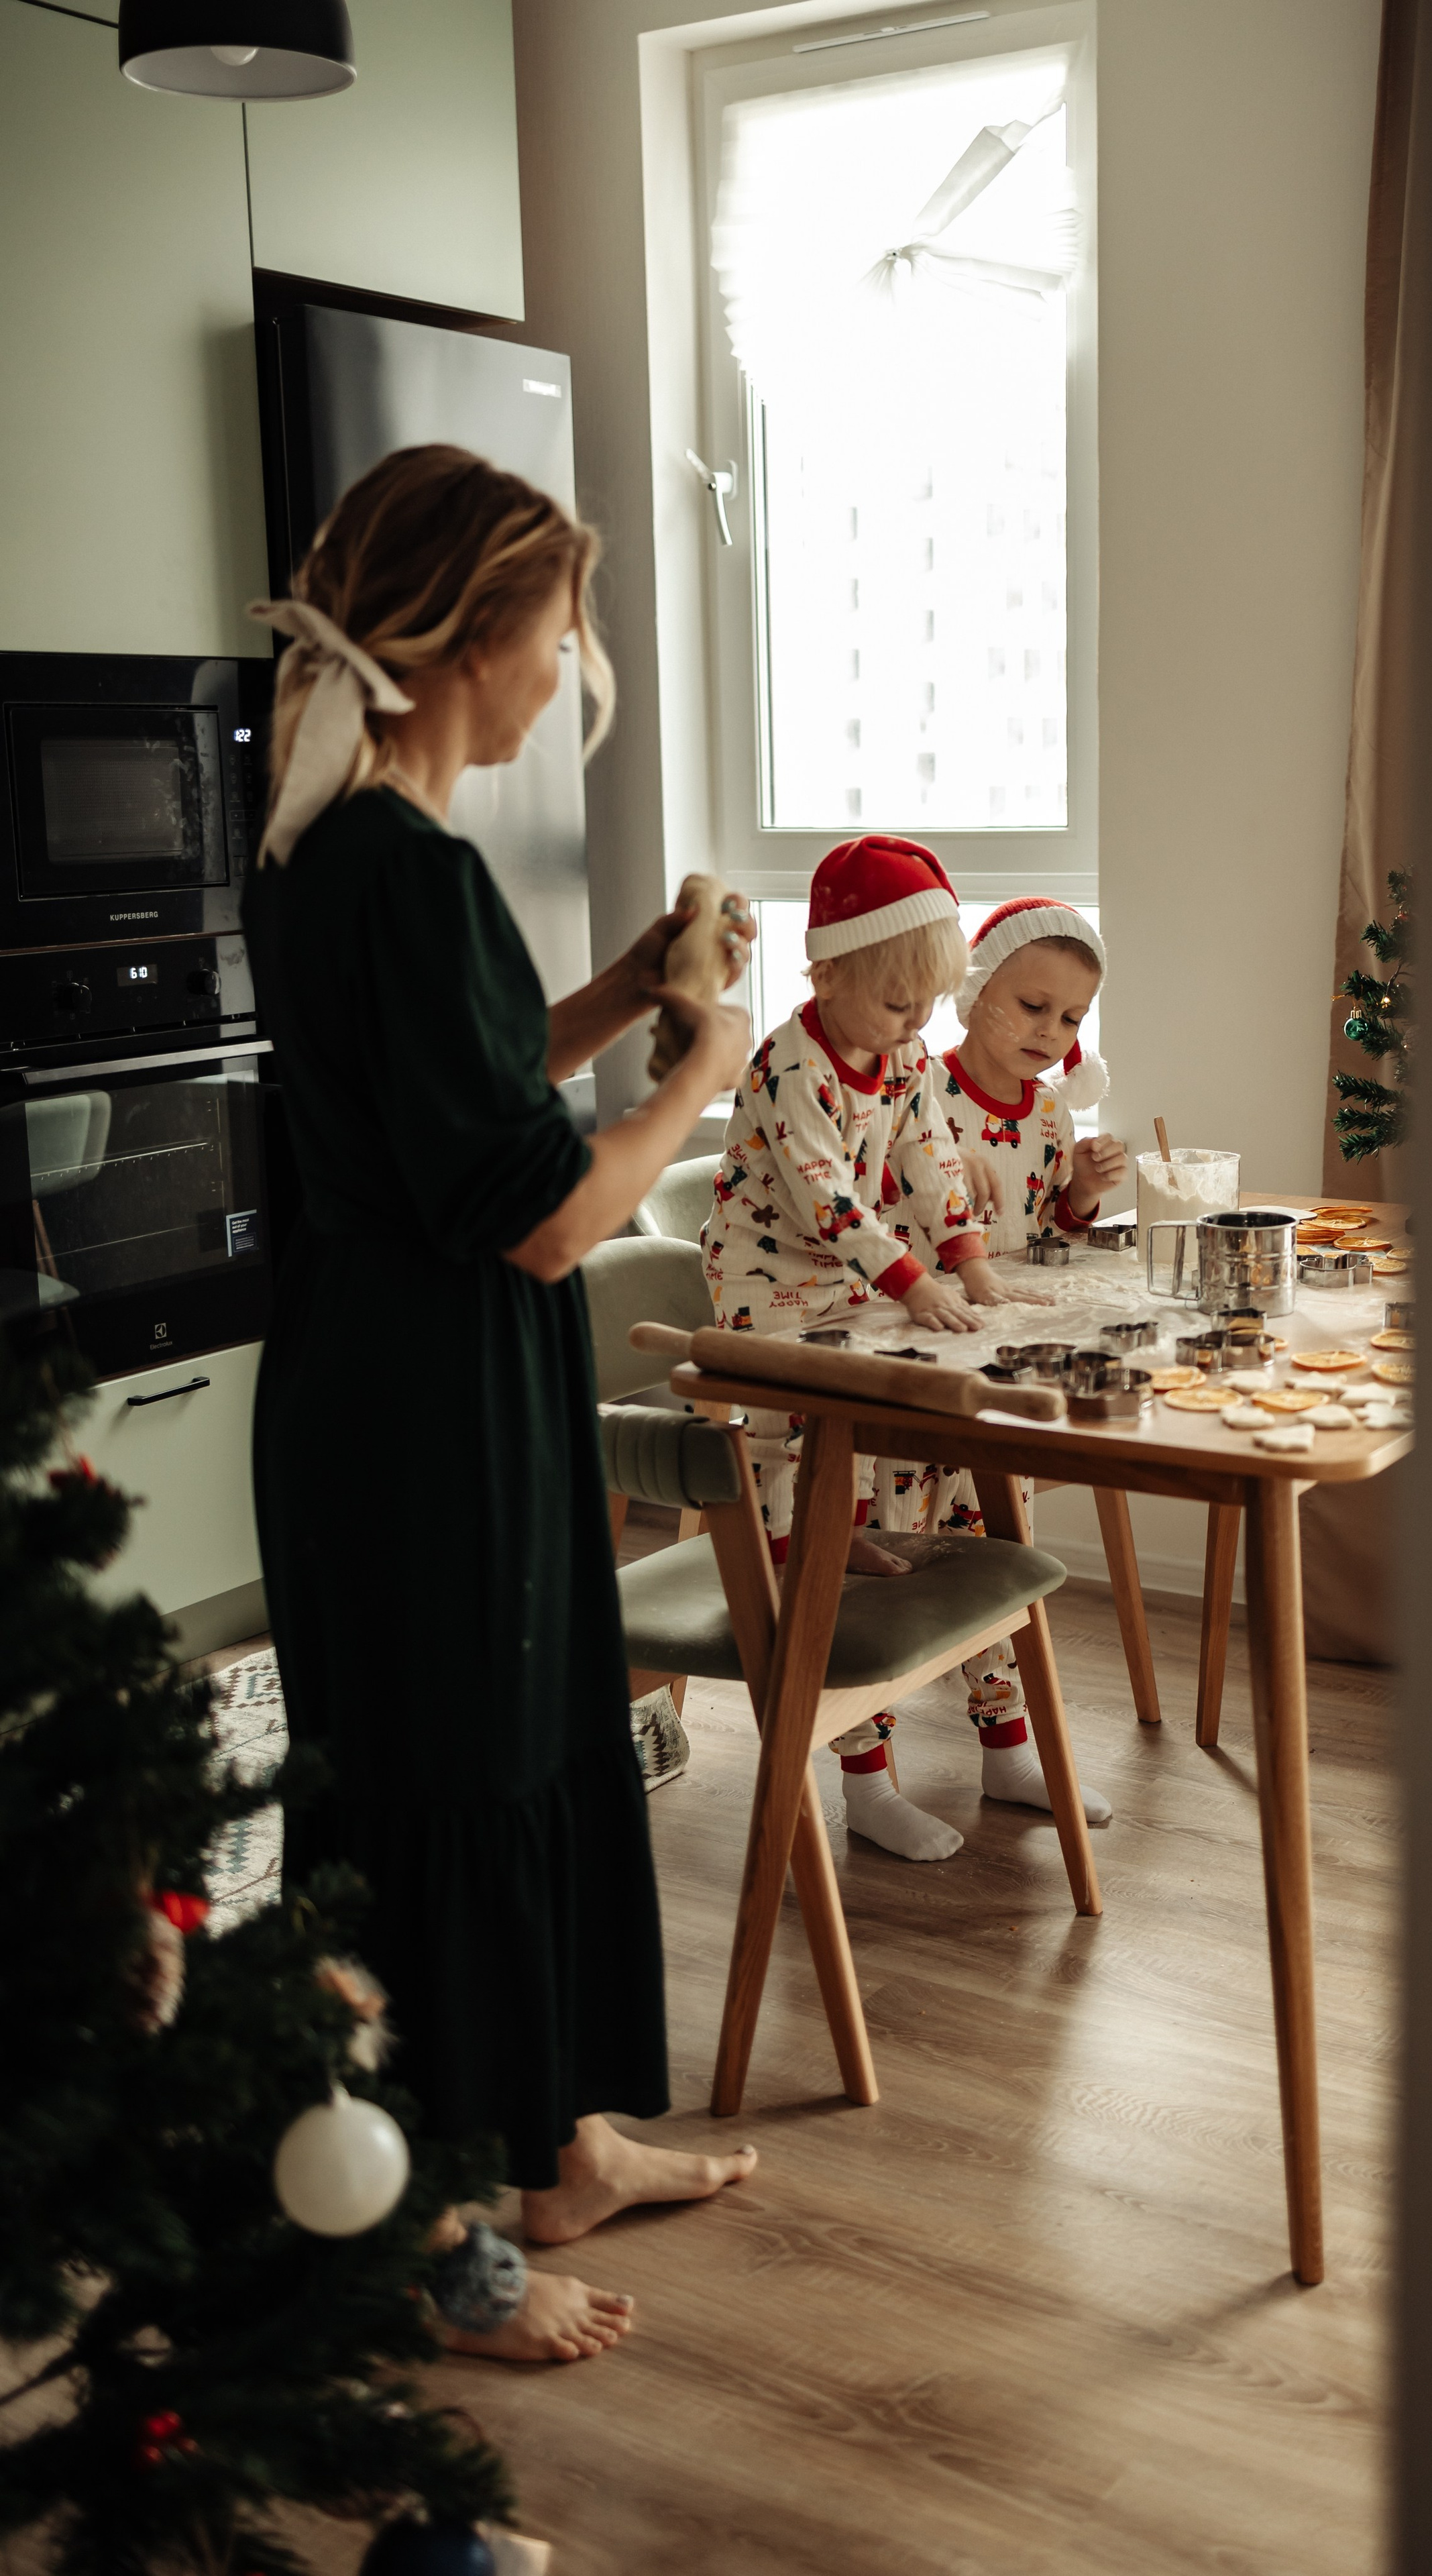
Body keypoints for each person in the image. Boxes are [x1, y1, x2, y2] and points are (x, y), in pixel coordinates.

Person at [243, 443, 756, 2368]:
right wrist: (699, 1075)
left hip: (396, 1386)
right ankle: (439, 2245)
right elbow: (542, 1216)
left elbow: (466, 1091)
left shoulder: (328, 853)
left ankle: (559, 2155)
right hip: (434, 1409)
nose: (575, 662)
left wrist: (626, 992)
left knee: (516, 1743)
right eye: (566, 623)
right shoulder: (410, 867)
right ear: (477, 638)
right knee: (455, 1781)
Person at [700, 844, 1108, 1861]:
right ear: (823, 972)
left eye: (925, 1008)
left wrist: (966, 1260)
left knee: (953, 1499)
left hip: (852, 1292)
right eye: (895, 1008)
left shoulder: (906, 1054)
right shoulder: (789, 1067)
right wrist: (918, 1282)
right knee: (813, 1486)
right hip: (768, 1292)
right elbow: (829, 1201)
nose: (912, 1029)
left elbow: (927, 1161)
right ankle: (864, 1773)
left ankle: (1008, 1747)